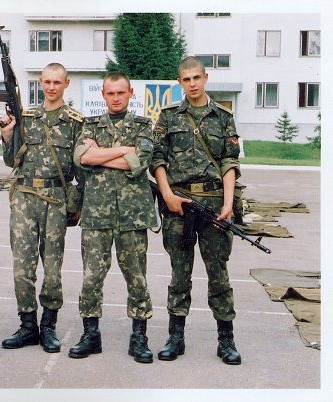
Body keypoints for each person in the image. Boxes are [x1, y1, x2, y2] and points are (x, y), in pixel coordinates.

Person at [150, 56, 242, 365]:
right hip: (178, 204)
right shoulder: (168, 116)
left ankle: (226, 340)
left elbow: (230, 162)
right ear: (180, 82)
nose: (192, 84)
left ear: (205, 78)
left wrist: (228, 203)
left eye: (196, 78)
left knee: (218, 274)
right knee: (179, 274)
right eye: (186, 79)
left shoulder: (223, 117)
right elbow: (157, 159)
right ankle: (175, 337)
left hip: (213, 204)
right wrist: (167, 195)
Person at [69, 72, 156, 363]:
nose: (116, 98)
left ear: (130, 93)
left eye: (121, 92)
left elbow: (139, 162)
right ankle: (90, 335)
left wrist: (100, 154)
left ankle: (139, 338)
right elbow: (82, 158)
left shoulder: (143, 125)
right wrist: (122, 150)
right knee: (91, 277)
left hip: (132, 216)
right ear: (103, 95)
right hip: (97, 215)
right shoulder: (90, 125)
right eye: (110, 93)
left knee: (137, 278)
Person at [0, 63, 83, 353]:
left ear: (66, 84)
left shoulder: (75, 123)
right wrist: (8, 136)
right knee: (22, 267)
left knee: (52, 268)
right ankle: (27, 325)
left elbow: (81, 170)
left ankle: (48, 325)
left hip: (56, 199)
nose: (51, 87)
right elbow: (10, 161)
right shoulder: (26, 118)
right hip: (24, 197)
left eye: (57, 82)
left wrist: (78, 204)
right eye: (47, 82)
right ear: (40, 82)